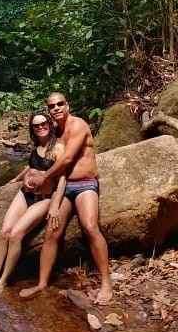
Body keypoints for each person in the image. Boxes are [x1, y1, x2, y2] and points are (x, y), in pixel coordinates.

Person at [19, 92, 113, 305]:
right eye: (52, 106)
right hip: (64, 186)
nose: (56, 108)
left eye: (60, 104)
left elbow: (68, 158)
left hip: (85, 184)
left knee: (90, 226)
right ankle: (42, 283)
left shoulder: (78, 125)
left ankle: (106, 283)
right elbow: (40, 158)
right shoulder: (55, 133)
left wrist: (45, 177)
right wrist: (25, 177)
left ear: (68, 105)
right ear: (49, 111)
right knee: (52, 231)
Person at [0, 111, 66, 299]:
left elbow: (62, 180)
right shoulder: (36, 148)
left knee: (16, 234)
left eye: (44, 124)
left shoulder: (58, 148)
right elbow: (30, 166)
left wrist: (55, 206)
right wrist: (16, 179)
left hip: (44, 198)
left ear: (50, 125)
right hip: (24, 194)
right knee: (4, 233)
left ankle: (3, 282)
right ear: (32, 129)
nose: (41, 127)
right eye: (36, 126)